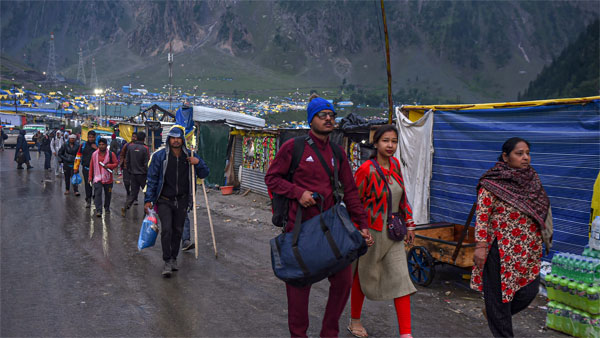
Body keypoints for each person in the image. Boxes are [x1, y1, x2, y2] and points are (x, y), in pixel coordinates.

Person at [264, 95, 372, 338]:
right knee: (298, 288)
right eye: (322, 115)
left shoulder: (338, 152)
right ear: (310, 119)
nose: (328, 118)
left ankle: (328, 333)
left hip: (331, 229)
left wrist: (362, 225)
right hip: (299, 230)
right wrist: (298, 192)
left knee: (343, 282)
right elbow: (272, 178)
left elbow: (351, 191)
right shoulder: (294, 147)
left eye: (332, 115)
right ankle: (298, 335)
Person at [471, 137, 552, 337]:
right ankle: (499, 322)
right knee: (500, 299)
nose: (525, 158)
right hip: (500, 250)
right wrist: (480, 246)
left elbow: (541, 208)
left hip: (529, 249)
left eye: (527, 153)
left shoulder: (532, 178)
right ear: (506, 157)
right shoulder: (492, 181)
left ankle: (493, 313)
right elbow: (482, 216)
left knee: (528, 292)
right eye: (519, 153)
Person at [348, 125, 417, 338]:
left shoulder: (395, 165)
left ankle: (406, 333)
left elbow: (402, 196)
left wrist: (410, 223)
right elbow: (354, 202)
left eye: (394, 141)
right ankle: (355, 321)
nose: (390, 145)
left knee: (401, 279)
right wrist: (360, 228)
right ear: (376, 143)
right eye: (386, 140)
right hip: (371, 233)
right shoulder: (366, 170)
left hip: (393, 233)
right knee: (363, 276)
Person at [144, 125, 209, 277]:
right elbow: (152, 178)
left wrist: (197, 163)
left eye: (178, 138)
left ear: (182, 140)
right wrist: (149, 199)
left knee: (178, 231)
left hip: (182, 200)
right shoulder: (160, 157)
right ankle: (167, 261)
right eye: (172, 138)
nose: (175, 141)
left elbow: (205, 172)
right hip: (164, 200)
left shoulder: (191, 155)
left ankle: (173, 258)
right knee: (166, 230)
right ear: (169, 140)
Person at [88, 138, 118, 217]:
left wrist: (109, 166)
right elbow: (91, 166)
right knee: (98, 193)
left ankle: (107, 208)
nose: (101, 146)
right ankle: (99, 210)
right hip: (97, 178)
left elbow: (116, 163)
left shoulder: (111, 154)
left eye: (103, 145)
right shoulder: (94, 154)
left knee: (108, 194)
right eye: (100, 145)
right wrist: (90, 177)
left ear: (106, 145)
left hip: (108, 179)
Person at [121, 131, 149, 215]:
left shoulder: (130, 147)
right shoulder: (145, 148)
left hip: (133, 173)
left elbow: (127, 160)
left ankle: (126, 207)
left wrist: (130, 170)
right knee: (146, 193)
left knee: (133, 193)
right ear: (144, 139)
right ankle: (146, 211)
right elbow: (146, 162)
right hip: (142, 175)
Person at [74, 131, 98, 208]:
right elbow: (78, 156)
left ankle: (96, 198)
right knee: (88, 185)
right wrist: (76, 167)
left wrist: (97, 149)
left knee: (97, 185)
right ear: (87, 137)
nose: (91, 139)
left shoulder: (98, 145)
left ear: (95, 137)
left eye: (92, 137)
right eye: (89, 137)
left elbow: (104, 155)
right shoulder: (83, 145)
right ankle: (88, 200)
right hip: (86, 168)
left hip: (97, 170)